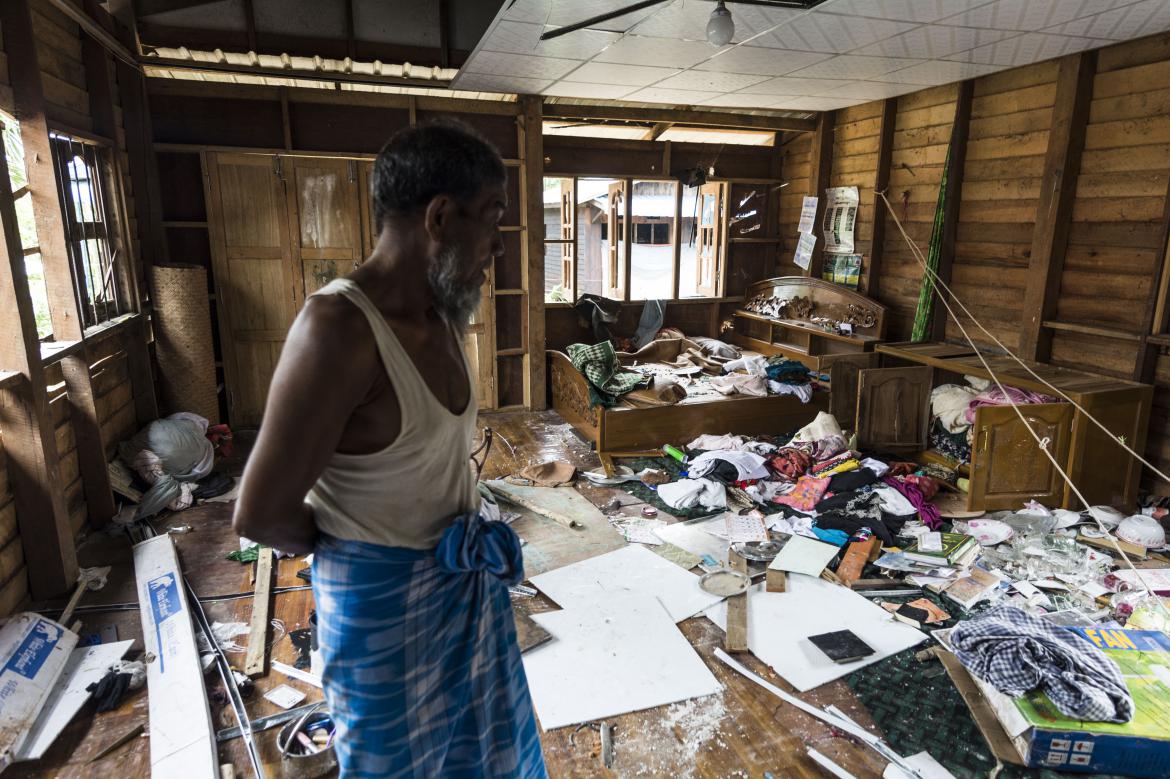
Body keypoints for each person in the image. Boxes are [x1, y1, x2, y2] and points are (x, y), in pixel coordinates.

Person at [232, 119, 546, 778]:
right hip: (383, 615)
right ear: (438, 217)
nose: (497, 246)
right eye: (491, 220)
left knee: (484, 757)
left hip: (461, 596)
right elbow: (259, 514)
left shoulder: (441, 317)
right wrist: (358, 550)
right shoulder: (339, 330)